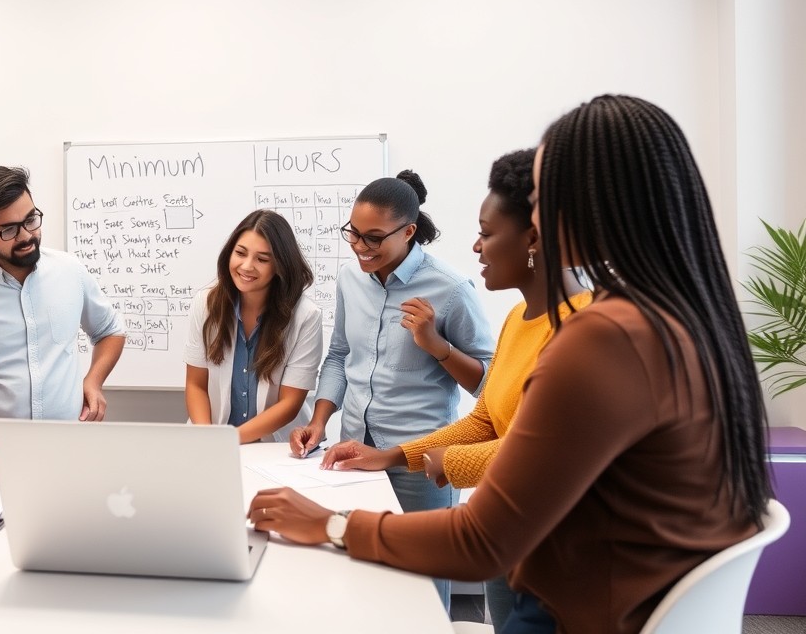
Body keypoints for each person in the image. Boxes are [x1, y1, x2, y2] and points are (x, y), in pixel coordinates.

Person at [249, 95, 771, 634]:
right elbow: (493, 422)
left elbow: (480, 542)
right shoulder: (680, 316)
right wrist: (395, 456)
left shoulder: (602, 336)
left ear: (587, 207)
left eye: (541, 198)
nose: (534, 218)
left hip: (581, 610)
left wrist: (330, 525)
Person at [321, 149, 590, 630]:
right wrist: (387, 454)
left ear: (533, 237)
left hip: (548, 536)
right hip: (496, 512)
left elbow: (548, 451)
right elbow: (487, 418)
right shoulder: (518, 318)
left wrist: (436, 349)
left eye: (486, 234)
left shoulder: (579, 327)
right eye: (354, 234)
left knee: (425, 603)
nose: (476, 247)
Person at [289, 169, 495, 607]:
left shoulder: (452, 289)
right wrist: (319, 420)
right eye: (354, 234)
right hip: (351, 450)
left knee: (422, 586)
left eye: (374, 238)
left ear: (409, 232)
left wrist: (436, 346)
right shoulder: (351, 279)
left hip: (419, 461)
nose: (360, 248)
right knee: (358, 575)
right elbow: (341, 354)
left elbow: (490, 388)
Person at [0, 166, 126, 448]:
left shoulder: (70, 271)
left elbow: (110, 330)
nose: (25, 236)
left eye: (31, 219)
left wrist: (93, 381)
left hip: (70, 445)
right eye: (8, 229)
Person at [184, 210, 324, 443]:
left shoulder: (306, 316)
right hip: (211, 438)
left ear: (280, 265)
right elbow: (196, 384)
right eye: (240, 253)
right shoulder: (206, 303)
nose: (247, 266)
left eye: (262, 259)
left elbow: (289, 403)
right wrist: (208, 438)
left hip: (274, 445)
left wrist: (227, 441)